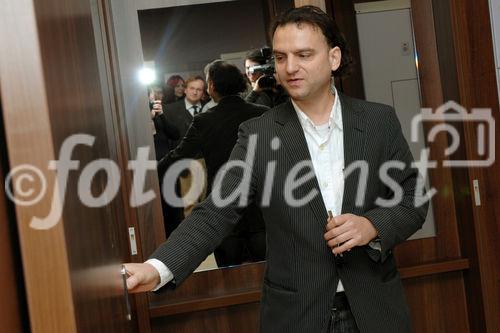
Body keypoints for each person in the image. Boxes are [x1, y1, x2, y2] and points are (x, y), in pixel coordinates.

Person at [126, 6, 428, 333]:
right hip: (296, 315)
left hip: (374, 309)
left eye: (304, 54)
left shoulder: (377, 122)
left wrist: (372, 225)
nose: (290, 68)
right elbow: (216, 211)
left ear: (334, 57)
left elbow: (412, 198)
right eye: (281, 57)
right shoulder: (258, 133)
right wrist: (157, 268)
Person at [158, 60, 268, 267]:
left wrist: (151, 172)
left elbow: (180, 154)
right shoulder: (261, 113)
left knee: (229, 277)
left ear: (212, 87)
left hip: (224, 211)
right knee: (269, 273)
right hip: (261, 208)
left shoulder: (204, 120)